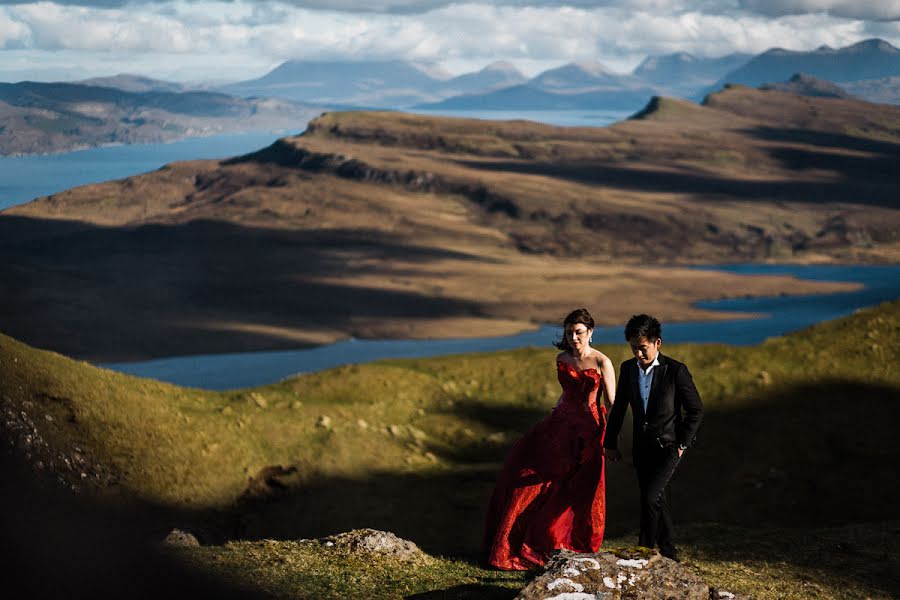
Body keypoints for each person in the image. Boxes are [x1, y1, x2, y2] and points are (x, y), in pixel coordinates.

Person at [484, 308, 616, 570]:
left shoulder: (603, 361)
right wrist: (552, 420)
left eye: (578, 332)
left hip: (588, 431)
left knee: (578, 489)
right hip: (560, 425)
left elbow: (612, 403)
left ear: (590, 332)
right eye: (569, 333)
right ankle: (524, 542)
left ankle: (571, 542)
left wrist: (610, 437)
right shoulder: (562, 358)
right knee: (528, 481)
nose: (573, 338)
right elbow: (566, 394)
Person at [603, 314, 703, 562]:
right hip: (641, 448)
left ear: (657, 343)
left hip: (668, 448)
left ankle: (643, 550)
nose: (638, 353)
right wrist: (610, 443)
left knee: (650, 498)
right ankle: (669, 553)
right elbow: (618, 408)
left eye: (643, 348)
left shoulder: (676, 371)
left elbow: (696, 410)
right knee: (657, 499)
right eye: (633, 348)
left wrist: (681, 443)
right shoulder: (627, 369)